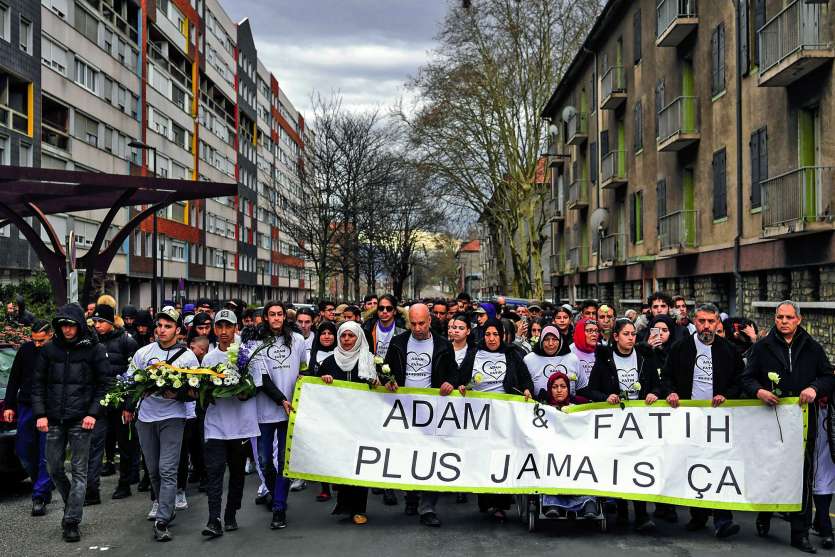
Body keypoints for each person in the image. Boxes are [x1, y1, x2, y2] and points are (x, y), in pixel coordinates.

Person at [742, 301, 835, 554]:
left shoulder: (812, 348)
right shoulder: (761, 347)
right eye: (780, 317)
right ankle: (765, 512)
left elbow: (828, 377)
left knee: (802, 477)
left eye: (789, 317)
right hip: (769, 421)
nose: (784, 321)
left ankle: (800, 532)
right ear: (775, 318)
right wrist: (759, 391)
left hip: (804, 424)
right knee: (771, 470)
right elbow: (747, 378)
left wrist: (814, 388)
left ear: (798, 320)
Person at [661, 303, 742, 537]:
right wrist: (671, 392)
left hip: (719, 420)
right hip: (689, 419)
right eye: (701, 321)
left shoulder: (729, 350)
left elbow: (740, 380)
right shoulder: (680, 348)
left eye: (710, 321)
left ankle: (723, 519)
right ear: (694, 321)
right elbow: (667, 377)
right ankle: (698, 515)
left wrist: (727, 395)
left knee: (720, 465)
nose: (706, 326)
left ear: (717, 322)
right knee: (694, 465)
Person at [32, 303, 110, 543]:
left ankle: (71, 521)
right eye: (63, 325)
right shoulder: (48, 350)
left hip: (81, 419)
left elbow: (105, 384)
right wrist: (40, 414)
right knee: (53, 467)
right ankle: (71, 504)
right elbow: (38, 384)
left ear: (78, 325)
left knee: (79, 470)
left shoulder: (94, 349)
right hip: (54, 418)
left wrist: (93, 413)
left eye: (71, 325)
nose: (67, 330)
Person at [578, 318, 660, 533]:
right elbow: (589, 391)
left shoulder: (644, 358)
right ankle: (622, 512)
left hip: (640, 423)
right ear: (615, 337)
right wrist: (607, 397)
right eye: (626, 334)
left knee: (639, 465)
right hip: (615, 424)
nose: (631, 338)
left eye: (633, 334)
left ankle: (642, 514)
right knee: (620, 466)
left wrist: (654, 393)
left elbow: (658, 386)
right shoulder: (605, 360)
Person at [127, 307, 199, 542]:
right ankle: (161, 502)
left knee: (168, 469)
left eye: (168, 326)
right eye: (159, 325)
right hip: (146, 419)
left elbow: (195, 391)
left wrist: (175, 394)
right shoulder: (143, 353)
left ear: (178, 331)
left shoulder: (188, 357)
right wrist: (130, 403)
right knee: (154, 470)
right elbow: (129, 382)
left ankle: (163, 519)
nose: (162, 330)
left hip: (173, 418)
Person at [382, 303, 457, 527]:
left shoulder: (443, 345)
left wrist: (449, 383)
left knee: (431, 457)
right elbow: (386, 370)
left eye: (421, 323)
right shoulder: (398, 343)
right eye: (413, 324)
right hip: (403, 411)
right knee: (408, 456)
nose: (417, 328)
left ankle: (428, 507)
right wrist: (389, 382)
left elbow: (453, 372)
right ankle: (411, 496)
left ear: (430, 321)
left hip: (433, 412)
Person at [457, 318, 533, 522]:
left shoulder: (513, 354)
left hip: (505, 417)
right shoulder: (474, 354)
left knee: (502, 458)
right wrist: (463, 386)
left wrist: (526, 389)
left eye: (496, 334)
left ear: (502, 336)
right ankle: (485, 500)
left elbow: (525, 379)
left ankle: (501, 504)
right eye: (488, 334)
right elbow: (461, 379)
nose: (491, 339)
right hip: (480, 416)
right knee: (484, 458)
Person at [200, 309, 261, 538]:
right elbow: (204, 390)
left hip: (241, 426)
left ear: (236, 329)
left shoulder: (246, 354)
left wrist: (245, 393)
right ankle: (213, 518)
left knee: (236, 472)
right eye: (220, 327)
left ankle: (231, 513)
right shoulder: (208, 358)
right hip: (216, 426)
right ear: (215, 330)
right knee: (214, 472)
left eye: (228, 327)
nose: (224, 332)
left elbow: (257, 384)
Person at [251, 301, 306, 530]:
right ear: (265, 317)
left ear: (285, 317)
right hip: (265, 410)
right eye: (272, 314)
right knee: (264, 462)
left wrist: (299, 395)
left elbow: (304, 369)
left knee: (284, 462)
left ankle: (279, 508)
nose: (276, 318)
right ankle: (276, 495)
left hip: (290, 411)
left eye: (280, 314)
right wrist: (280, 399)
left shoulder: (298, 340)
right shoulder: (255, 343)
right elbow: (261, 380)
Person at [317, 321, 379, 525]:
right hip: (338, 425)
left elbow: (382, 392)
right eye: (343, 336)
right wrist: (322, 380)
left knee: (360, 466)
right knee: (342, 464)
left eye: (351, 336)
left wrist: (379, 383)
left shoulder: (370, 361)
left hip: (363, 424)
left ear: (359, 337)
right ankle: (344, 505)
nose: (346, 340)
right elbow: (315, 391)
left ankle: (359, 509)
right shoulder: (328, 362)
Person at [3, 320, 55, 517]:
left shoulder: (56, 352)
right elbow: (14, 377)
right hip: (25, 405)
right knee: (23, 450)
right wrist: (9, 405)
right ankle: (43, 483)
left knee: (44, 452)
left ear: (50, 335)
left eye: (41, 340)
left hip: (48, 408)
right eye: (34, 340)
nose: (37, 344)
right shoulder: (25, 350)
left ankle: (39, 495)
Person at [90, 304, 139, 502]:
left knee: (125, 444)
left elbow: (134, 375)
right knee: (96, 445)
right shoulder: (92, 342)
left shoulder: (127, 342)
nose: (97, 325)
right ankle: (92, 490)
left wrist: (129, 405)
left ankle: (125, 483)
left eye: (101, 321)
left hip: (120, 402)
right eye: (95, 322)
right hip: (99, 402)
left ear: (111, 322)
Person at [539, 372, 600, 519]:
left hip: (577, 451)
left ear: (568, 389)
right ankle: (553, 504)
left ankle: (588, 503)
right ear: (549, 389)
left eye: (563, 386)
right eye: (555, 387)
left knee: (585, 466)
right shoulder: (542, 409)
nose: (559, 390)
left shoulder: (579, 407)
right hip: (553, 453)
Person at [523, 325, 583, 401]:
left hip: (568, 408)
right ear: (541, 340)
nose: (550, 343)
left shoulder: (573, 359)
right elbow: (523, 385)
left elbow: (582, 388)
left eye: (554, 339)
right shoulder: (529, 359)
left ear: (560, 340)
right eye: (546, 339)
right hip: (539, 408)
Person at [362, 294, 405, 361]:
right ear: (377, 310)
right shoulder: (367, 328)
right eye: (381, 308)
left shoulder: (403, 330)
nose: (384, 311)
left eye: (389, 308)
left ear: (395, 311)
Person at [570, 318, 599, 389]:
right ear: (580, 332)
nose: (594, 334)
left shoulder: (601, 349)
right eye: (590, 331)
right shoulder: (570, 351)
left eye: (596, 331)